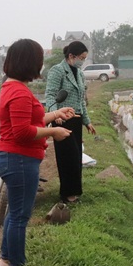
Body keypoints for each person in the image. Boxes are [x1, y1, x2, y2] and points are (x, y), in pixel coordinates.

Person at [0, 39, 75, 266]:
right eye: (39, 60)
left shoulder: (11, 87)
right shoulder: (19, 92)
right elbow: (22, 132)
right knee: (20, 216)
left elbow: (27, 122)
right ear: (29, 62)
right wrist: (54, 131)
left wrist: (54, 114)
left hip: (14, 158)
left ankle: (6, 259)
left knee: (15, 211)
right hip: (19, 159)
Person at [45, 40, 96, 204]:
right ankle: (66, 193)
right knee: (67, 157)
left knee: (76, 157)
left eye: (84, 58)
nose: (82, 61)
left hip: (76, 119)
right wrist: (54, 114)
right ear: (71, 56)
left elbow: (81, 100)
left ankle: (75, 191)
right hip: (61, 120)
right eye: (81, 57)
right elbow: (51, 95)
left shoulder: (80, 73)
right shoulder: (57, 71)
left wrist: (87, 121)